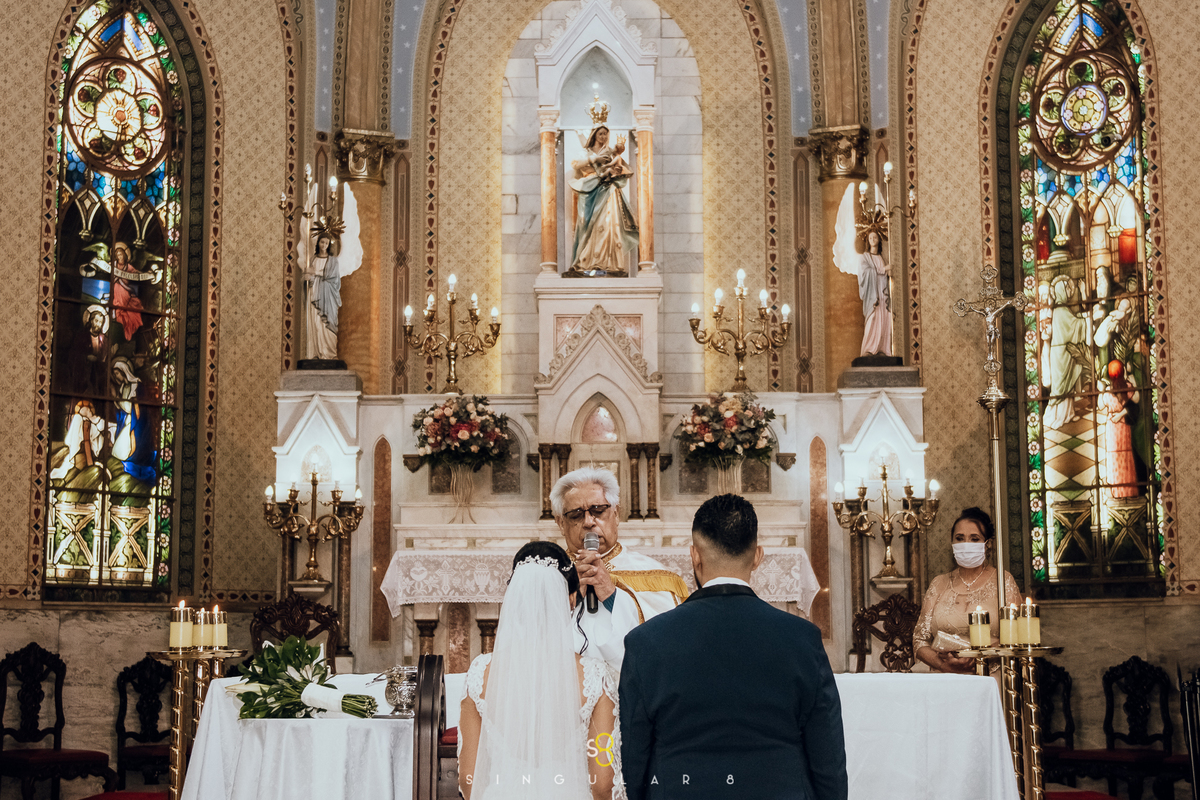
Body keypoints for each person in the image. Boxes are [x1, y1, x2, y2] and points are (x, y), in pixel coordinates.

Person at [619, 494, 847, 800]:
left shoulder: (645, 642)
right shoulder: (802, 638)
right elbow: (828, 757)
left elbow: (633, 757)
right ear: (757, 556)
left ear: (694, 556)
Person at [457, 541, 622, 800]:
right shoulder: (593, 677)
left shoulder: (481, 673)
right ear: (570, 599)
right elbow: (603, 784)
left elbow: (469, 780)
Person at [552, 467, 688, 670]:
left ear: (616, 514)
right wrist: (566, 599)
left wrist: (612, 596)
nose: (589, 522)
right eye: (576, 515)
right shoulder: (548, 575)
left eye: (598, 511)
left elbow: (672, 639)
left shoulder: (657, 576)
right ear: (561, 523)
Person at [913, 507, 1023, 674]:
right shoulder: (939, 583)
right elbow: (920, 641)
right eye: (960, 538)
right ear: (952, 543)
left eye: (974, 539)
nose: (966, 545)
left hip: (990, 675)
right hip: (944, 677)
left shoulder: (1003, 581)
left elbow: (1019, 636)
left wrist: (977, 656)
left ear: (988, 544)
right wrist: (944, 665)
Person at [567, 124, 638, 277]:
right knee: (586, 224)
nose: (603, 137)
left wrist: (614, 171)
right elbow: (575, 163)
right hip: (588, 190)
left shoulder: (611, 153)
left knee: (606, 224)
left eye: (606, 134)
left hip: (606, 190)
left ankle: (607, 263)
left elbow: (623, 169)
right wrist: (595, 159)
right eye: (600, 134)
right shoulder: (585, 152)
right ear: (594, 135)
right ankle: (585, 262)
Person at [305, 234, 340, 360]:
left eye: (326, 243)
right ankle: (316, 353)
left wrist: (315, 274)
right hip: (314, 294)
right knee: (316, 322)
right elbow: (309, 278)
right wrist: (309, 278)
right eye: (322, 242)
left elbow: (335, 279)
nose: (324, 245)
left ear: (329, 245)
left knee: (328, 322)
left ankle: (330, 354)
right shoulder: (313, 259)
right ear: (318, 243)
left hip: (328, 296)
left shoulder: (333, 261)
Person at [858, 230, 892, 357]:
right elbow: (864, 273)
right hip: (873, 296)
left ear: (879, 240)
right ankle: (869, 349)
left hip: (884, 293)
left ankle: (883, 349)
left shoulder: (883, 257)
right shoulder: (864, 257)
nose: (872, 239)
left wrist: (888, 271)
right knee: (873, 319)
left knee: (885, 318)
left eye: (875, 237)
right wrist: (883, 269)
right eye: (870, 237)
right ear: (868, 240)